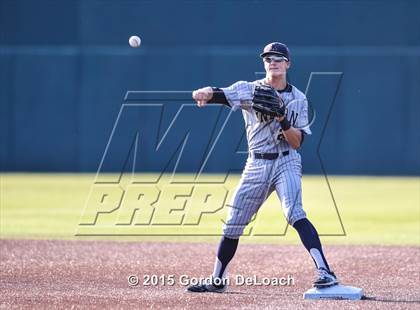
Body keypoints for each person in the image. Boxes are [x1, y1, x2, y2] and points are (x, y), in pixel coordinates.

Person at [187, 42, 338, 293]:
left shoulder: (298, 98)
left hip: (285, 160)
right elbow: (221, 93)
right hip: (256, 162)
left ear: (288, 64)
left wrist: (282, 117)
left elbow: (297, 142)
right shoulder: (250, 89)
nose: (273, 62)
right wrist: (203, 92)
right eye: (268, 58)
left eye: (278, 58)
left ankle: (325, 271)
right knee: (233, 223)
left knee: (293, 211)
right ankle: (218, 280)